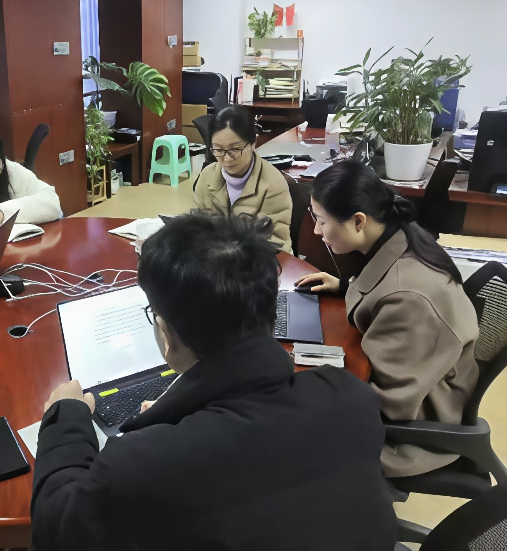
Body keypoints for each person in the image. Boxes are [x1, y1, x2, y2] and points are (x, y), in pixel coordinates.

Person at [30, 213, 397, 551]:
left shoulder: (141, 465)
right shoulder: (352, 399)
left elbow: (57, 528)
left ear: (166, 336)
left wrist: (66, 418)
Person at [295, 160, 479, 478]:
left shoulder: (408, 297)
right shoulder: (400, 235)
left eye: (322, 221)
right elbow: (383, 290)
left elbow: (388, 404)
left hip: (416, 426)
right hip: (422, 384)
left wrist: (303, 383)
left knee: (287, 432)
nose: (316, 231)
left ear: (358, 221)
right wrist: (345, 287)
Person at [193, 105, 293, 252]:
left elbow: (275, 242)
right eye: (219, 150)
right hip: (218, 256)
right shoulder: (207, 176)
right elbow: (199, 225)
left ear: (253, 143)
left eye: (235, 149)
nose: (227, 158)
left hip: (262, 258)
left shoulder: (273, 184)